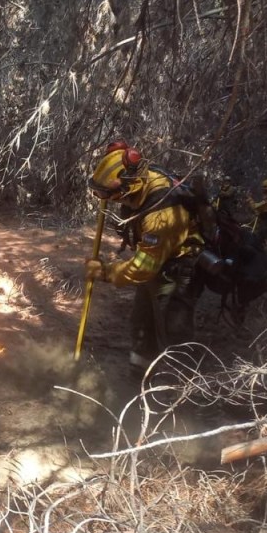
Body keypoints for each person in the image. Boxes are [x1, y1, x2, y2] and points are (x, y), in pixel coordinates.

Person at [85, 141, 206, 377]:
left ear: (130, 186)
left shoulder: (162, 214)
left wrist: (106, 272)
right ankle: (140, 373)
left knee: (173, 331)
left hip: (178, 269)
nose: (106, 199)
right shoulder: (141, 180)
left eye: (109, 194)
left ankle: (181, 385)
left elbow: (144, 268)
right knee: (141, 322)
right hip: (155, 263)